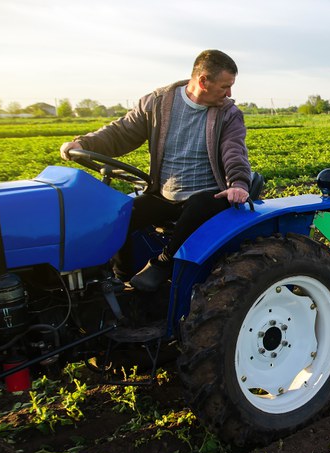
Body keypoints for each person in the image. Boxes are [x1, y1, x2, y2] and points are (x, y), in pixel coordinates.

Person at [60, 49, 251, 292]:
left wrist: (237, 183)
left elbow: (234, 151)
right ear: (203, 81)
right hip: (165, 194)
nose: (229, 93)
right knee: (121, 215)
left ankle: (164, 264)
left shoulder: (228, 114)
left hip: (208, 193)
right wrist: (84, 144)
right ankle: (123, 280)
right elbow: (122, 131)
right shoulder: (158, 103)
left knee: (199, 207)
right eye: (225, 86)